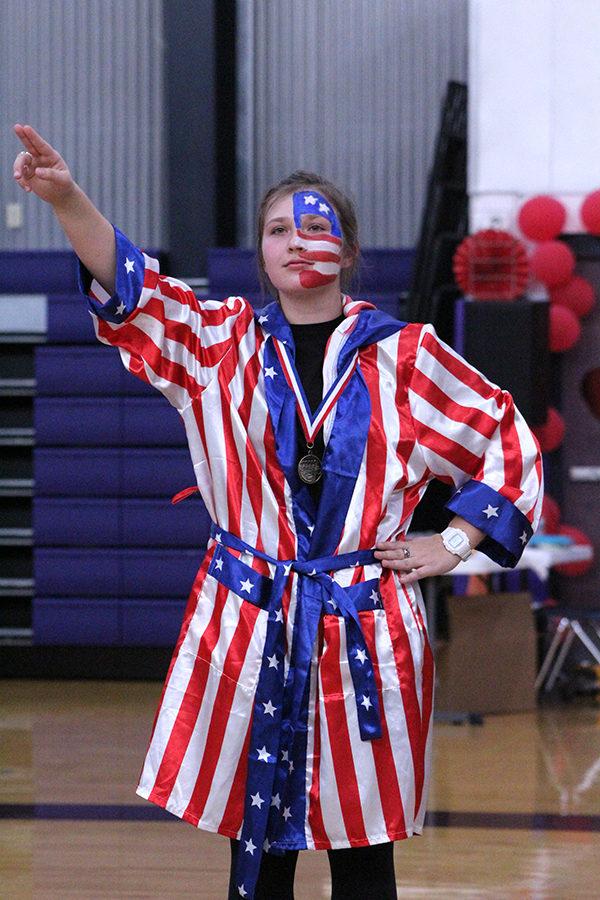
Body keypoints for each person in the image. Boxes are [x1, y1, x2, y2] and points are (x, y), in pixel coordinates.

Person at [13, 123, 543, 900]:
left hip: (365, 623)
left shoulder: (407, 356)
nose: (297, 240)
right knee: (257, 851)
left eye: (316, 224)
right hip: (250, 620)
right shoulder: (217, 343)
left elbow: (505, 436)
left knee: (365, 856)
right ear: (259, 253)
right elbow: (134, 289)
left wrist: (455, 542)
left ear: (350, 252)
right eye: (277, 229)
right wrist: (66, 199)